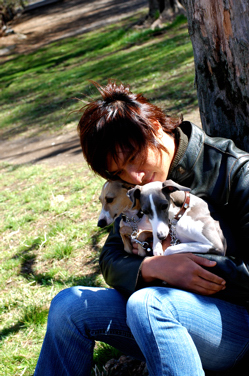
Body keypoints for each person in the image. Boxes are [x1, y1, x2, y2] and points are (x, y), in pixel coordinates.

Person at [34, 80, 249, 376]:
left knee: (148, 303)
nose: (134, 176)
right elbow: (110, 258)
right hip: (157, 313)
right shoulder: (134, 187)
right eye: (118, 172)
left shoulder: (234, 170)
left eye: (134, 158)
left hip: (236, 325)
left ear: (156, 126)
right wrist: (154, 268)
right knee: (68, 306)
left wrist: (199, 269)